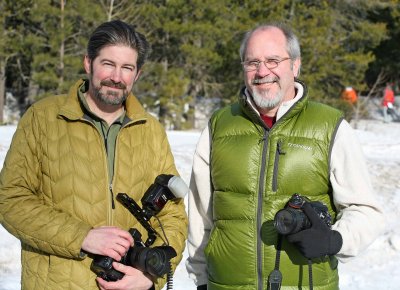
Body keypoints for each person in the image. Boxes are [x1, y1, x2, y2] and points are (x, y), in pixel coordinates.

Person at [186, 23, 384, 290]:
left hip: (308, 283)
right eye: (252, 62)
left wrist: (334, 240)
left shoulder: (329, 126)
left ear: (295, 66)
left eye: (273, 60)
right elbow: (200, 215)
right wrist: (200, 280)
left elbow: (366, 210)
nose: (262, 71)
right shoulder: (220, 125)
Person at [0, 20, 187, 290]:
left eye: (127, 68)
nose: (116, 76)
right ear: (88, 63)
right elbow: (10, 200)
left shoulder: (151, 130)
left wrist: (150, 276)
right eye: (108, 64)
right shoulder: (43, 118)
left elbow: (172, 216)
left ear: (138, 74)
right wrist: (82, 237)